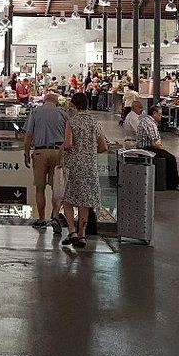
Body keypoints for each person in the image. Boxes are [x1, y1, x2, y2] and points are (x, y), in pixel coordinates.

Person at [61, 92, 106, 249]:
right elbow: (103, 146)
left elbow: (68, 145)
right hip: (90, 166)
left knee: (68, 199)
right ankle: (82, 235)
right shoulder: (95, 122)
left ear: (73, 105)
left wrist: (65, 148)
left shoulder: (71, 122)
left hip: (74, 166)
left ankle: (72, 231)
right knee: (84, 201)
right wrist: (90, 151)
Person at [22, 92, 67, 232]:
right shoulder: (63, 113)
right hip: (58, 152)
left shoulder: (35, 112)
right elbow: (69, 136)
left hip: (40, 152)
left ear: (44, 101)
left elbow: (28, 135)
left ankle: (41, 219)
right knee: (57, 188)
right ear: (56, 102)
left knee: (40, 188)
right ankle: (55, 217)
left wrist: (26, 152)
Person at [131, 102, 179, 191]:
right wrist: (163, 149)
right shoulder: (150, 124)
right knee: (171, 158)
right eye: (159, 114)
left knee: (167, 156)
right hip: (147, 148)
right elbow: (154, 144)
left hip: (143, 146)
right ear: (154, 113)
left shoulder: (145, 120)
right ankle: (173, 184)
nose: (161, 116)